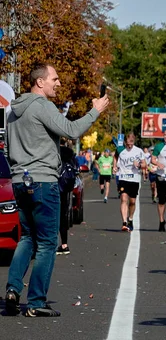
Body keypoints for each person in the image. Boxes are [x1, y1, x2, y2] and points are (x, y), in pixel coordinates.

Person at [4, 63, 108, 317]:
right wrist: (95, 111)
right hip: (43, 182)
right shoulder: (41, 106)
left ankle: (12, 290)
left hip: (19, 181)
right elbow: (71, 130)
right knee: (48, 243)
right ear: (40, 82)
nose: (58, 83)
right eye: (55, 79)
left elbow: (6, 147)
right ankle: (36, 302)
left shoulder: (12, 111)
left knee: (27, 238)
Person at [114, 133, 145, 232]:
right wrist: (114, 166)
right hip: (123, 177)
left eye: (131, 143)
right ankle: (124, 222)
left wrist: (139, 165)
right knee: (123, 198)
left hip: (134, 178)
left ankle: (130, 219)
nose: (129, 146)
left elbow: (145, 164)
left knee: (132, 202)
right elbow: (115, 157)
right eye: (128, 144)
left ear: (134, 141)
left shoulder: (138, 151)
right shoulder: (120, 149)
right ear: (125, 142)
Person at [57, 138, 77, 255]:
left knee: (50, 215)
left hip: (54, 185)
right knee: (63, 215)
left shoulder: (53, 151)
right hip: (64, 188)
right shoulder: (69, 153)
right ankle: (64, 244)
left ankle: (51, 244)